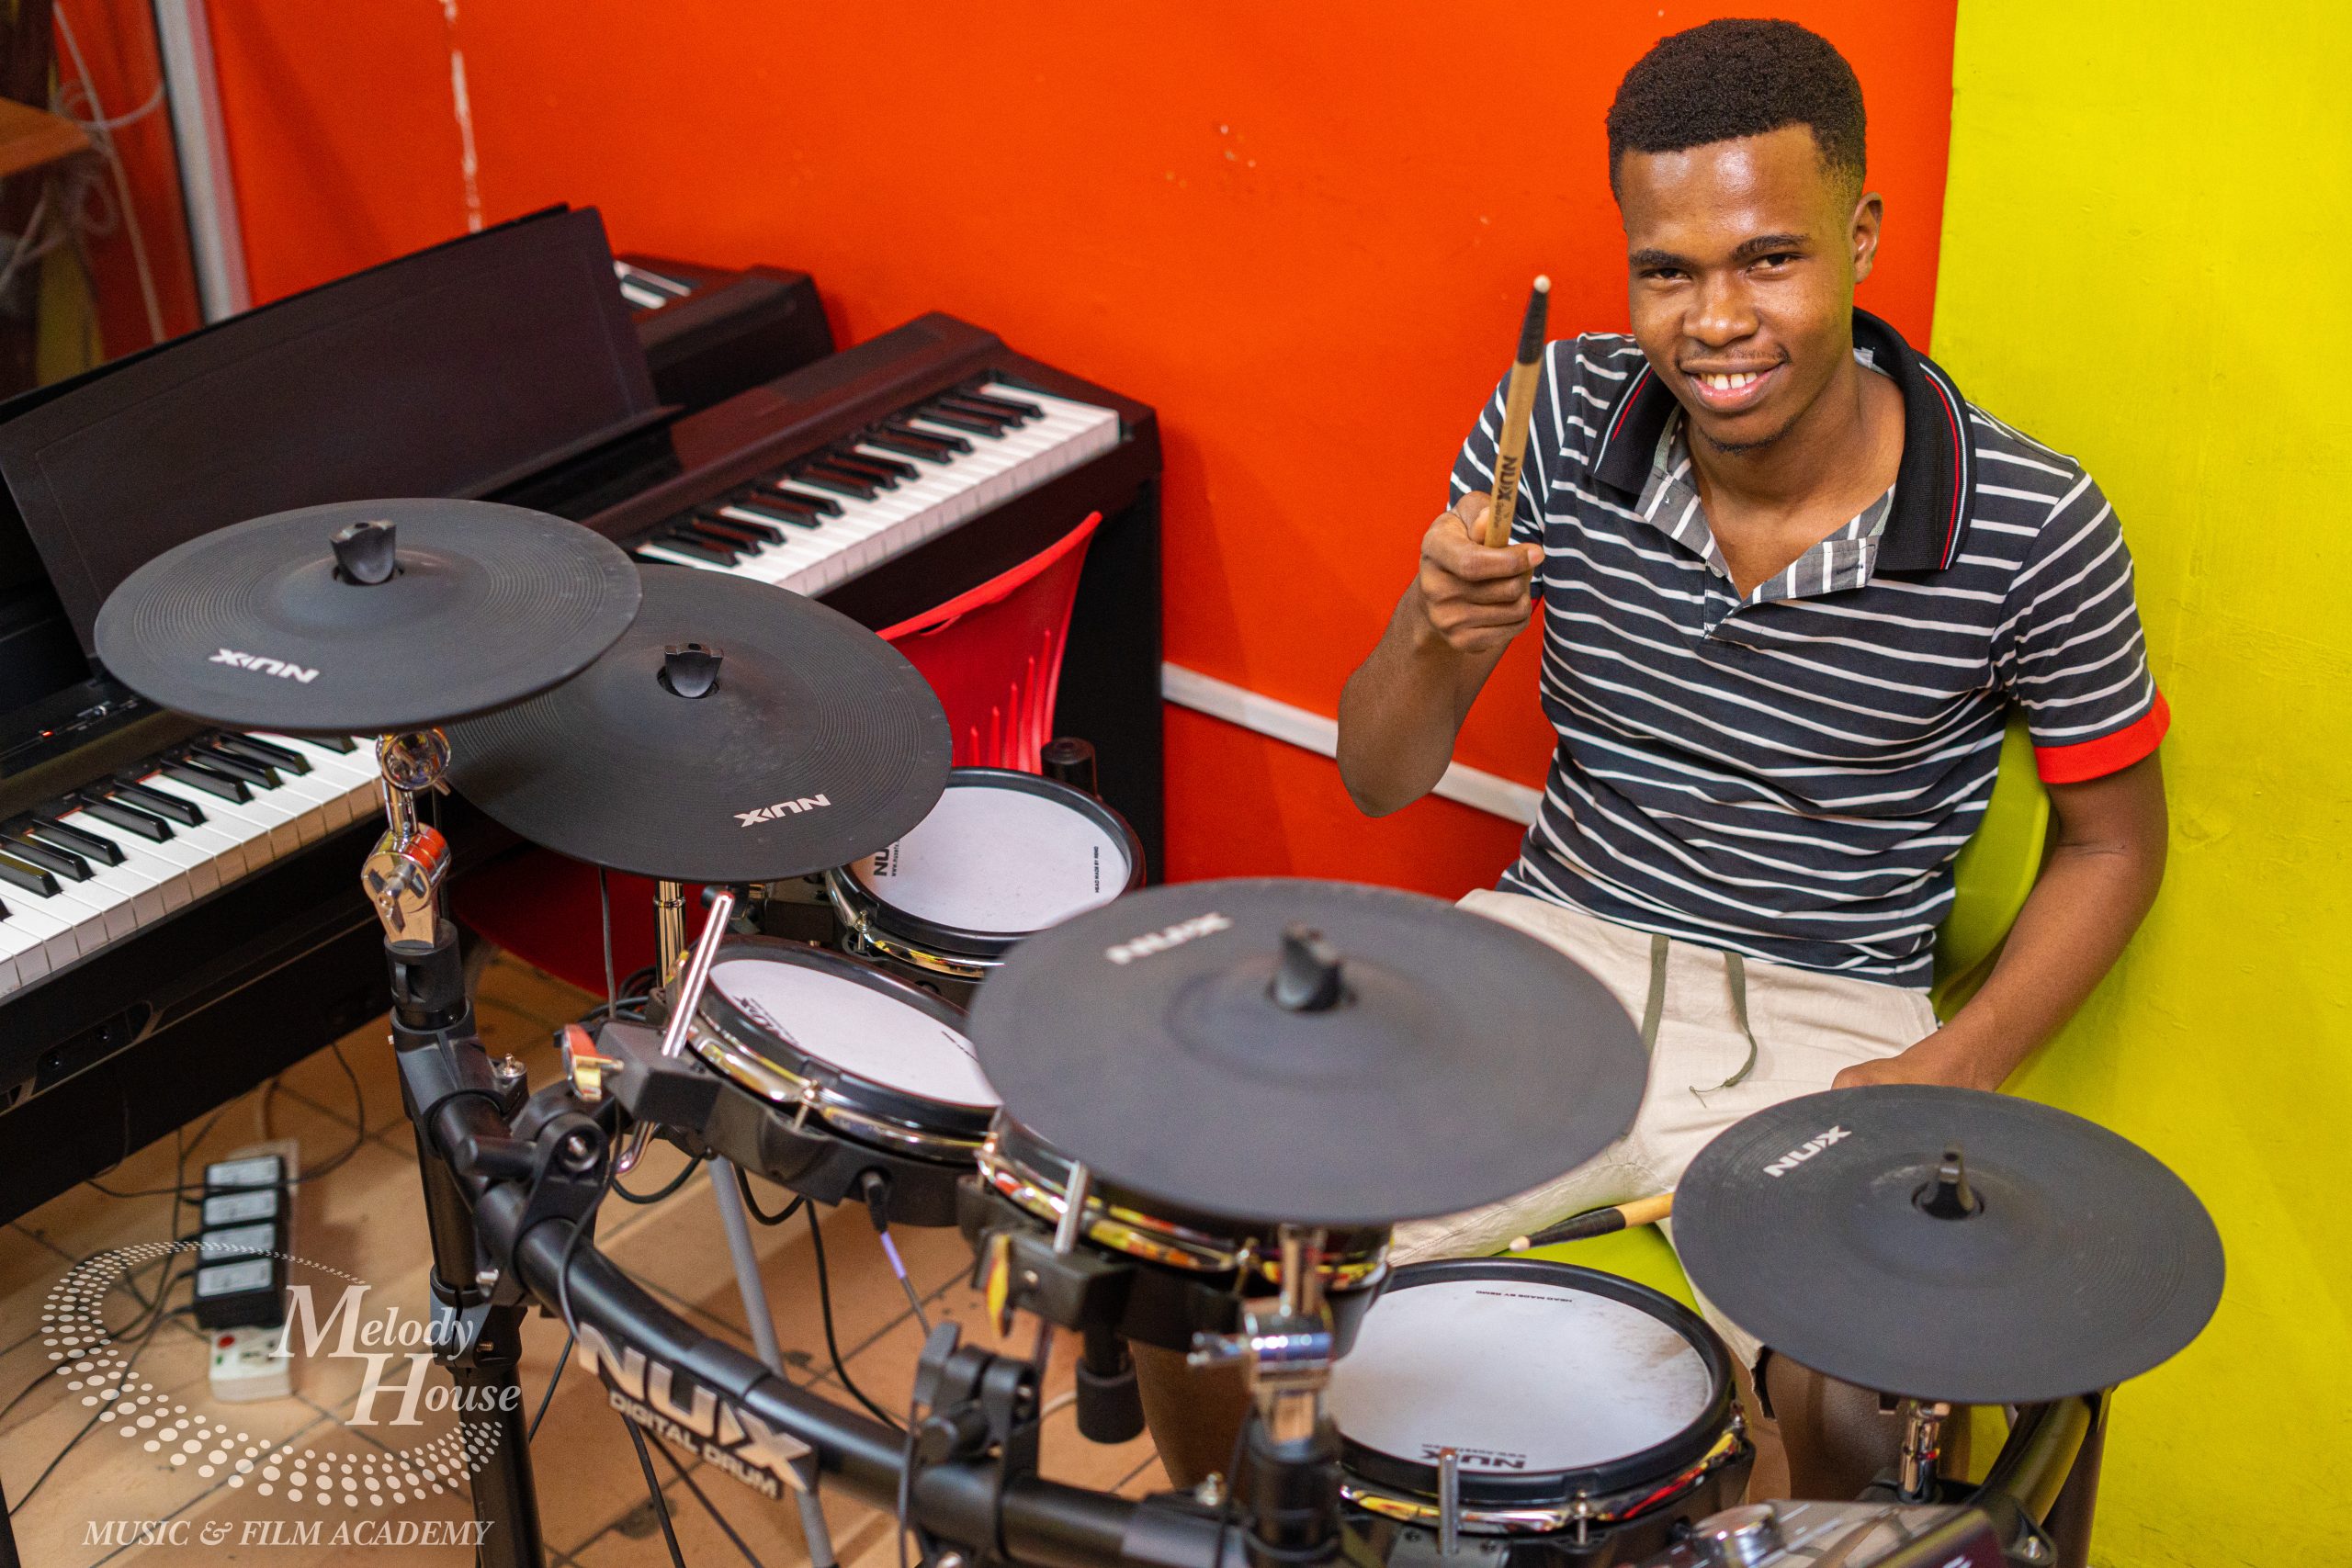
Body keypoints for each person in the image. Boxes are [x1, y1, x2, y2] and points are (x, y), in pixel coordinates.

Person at [1335, 18, 2168, 1500]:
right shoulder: (1554, 419)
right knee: (1223, 1238)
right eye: (1668, 271)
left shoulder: (2035, 521)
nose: (1716, 321)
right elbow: (1379, 777)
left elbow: (2114, 843)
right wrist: (1428, 628)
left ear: (1861, 238)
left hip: (1826, 1012)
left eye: (1769, 258)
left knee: (1885, 1400)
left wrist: (1951, 1065)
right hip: (1551, 954)